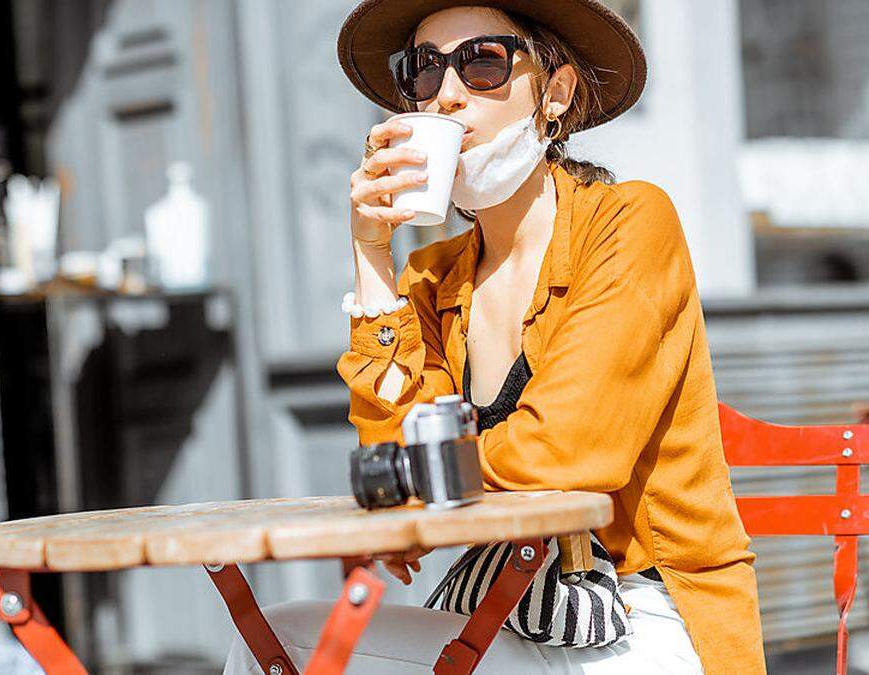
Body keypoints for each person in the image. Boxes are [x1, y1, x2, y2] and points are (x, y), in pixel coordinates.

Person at [224, 1, 765, 673]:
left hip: (645, 613)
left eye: (483, 63)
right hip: (505, 609)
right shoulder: (430, 278)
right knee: (268, 637)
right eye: (423, 72)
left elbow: (564, 451)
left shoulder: (630, 225)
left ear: (556, 94)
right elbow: (390, 458)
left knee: (280, 644)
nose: (446, 94)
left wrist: (422, 473)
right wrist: (370, 252)